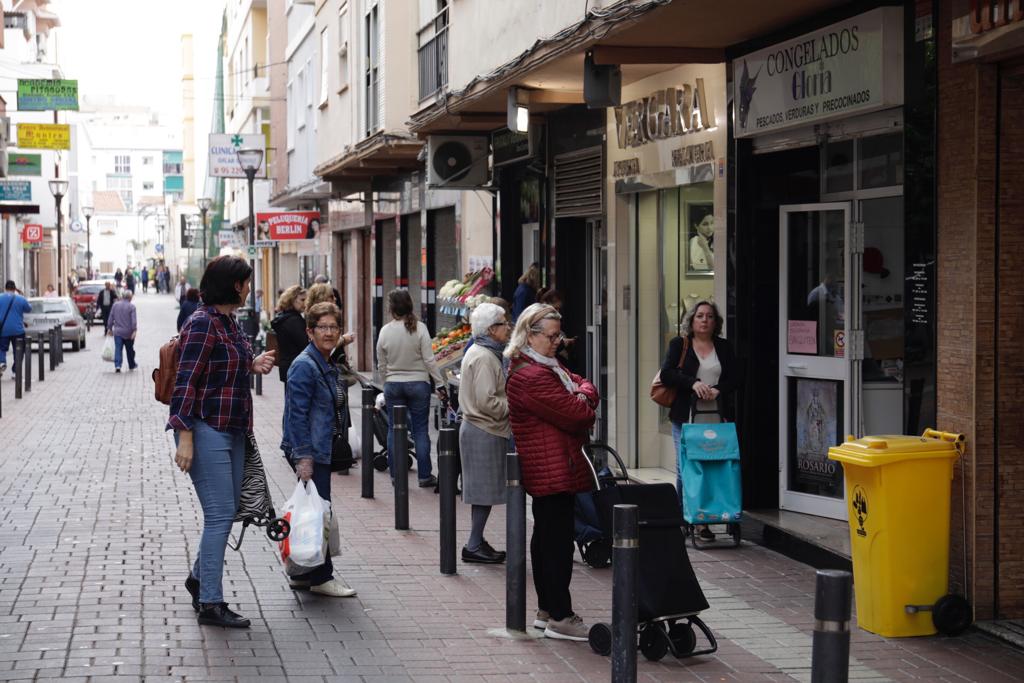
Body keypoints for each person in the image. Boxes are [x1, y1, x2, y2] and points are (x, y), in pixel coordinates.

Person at [168, 256, 276, 628]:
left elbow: (224, 366)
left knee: (227, 513)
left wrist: (253, 363)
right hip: (206, 428)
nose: (249, 288)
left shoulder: (228, 322)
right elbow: (186, 382)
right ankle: (210, 603)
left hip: (234, 428)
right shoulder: (201, 323)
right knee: (219, 516)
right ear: (234, 285)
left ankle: (199, 578)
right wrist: (185, 436)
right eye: (246, 282)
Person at [505, 303, 598, 641]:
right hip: (552, 469)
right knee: (556, 545)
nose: (558, 341)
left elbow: (585, 385)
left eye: (560, 334)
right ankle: (560, 615)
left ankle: (547, 611)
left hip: (558, 466)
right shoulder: (532, 375)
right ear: (530, 334)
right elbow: (578, 414)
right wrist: (582, 398)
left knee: (547, 539)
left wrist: (582, 393)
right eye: (552, 335)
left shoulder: (546, 364)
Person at [280, 301, 358, 598]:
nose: (328, 332)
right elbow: (296, 416)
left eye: (333, 327)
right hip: (310, 449)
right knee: (319, 512)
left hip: (318, 447)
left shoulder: (324, 360)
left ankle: (302, 573)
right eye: (322, 327)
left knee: (311, 512)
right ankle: (321, 577)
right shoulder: (305, 365)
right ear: (310, 331)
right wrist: (303, 458)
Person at [658, 300, 739, 541]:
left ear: (716, 322)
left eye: (710, 316)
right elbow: (667, 374)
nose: (704, 320)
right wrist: (692, 383)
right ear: (691, 321)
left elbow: (736, 377)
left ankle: (709, 517)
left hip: (716, 416)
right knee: (687, 470)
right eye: (700, 316)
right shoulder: (679, 344)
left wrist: (718, 390)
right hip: (686, 417)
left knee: (713, 466)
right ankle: (689, 519)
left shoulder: (723, 347)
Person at [458, 303, 512, 564]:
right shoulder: (484, 357)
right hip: (484, 429)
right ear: (492, 329)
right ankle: (473, 543)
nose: (508, 328)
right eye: (504, 323)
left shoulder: (485, 352)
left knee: (483, 491)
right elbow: (486, 401)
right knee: (482, 491)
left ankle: (476, 540)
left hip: (483, 428)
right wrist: (513, 408)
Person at [376, 289, 444, 488]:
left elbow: (381, 362)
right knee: (421, 430)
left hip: (393, 385)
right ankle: (424, 475)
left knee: (394, 430)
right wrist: (439, 383)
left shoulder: (385, 331)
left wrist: (385, 381)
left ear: (391, 308)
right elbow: (429, 360)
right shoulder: (420, 328)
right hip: (419, 384)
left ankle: (396, 476)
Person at [270, 285, 308, 382]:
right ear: (292, 300)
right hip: (297, 368)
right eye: (302, 300)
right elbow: (304, 345)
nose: (305, 303)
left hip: (288, 366)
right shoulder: (293, 321)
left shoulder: (284, 318)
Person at [0, 281, 32, 377]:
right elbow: (29, 309)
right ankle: (15, 371)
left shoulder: (0, 298)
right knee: (18, 350)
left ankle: (2, 362)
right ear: (15, 288)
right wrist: (22, 295)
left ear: (5, 288)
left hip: (3, 330)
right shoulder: (20, 298)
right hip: (18, 330)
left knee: (1, 348)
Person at [108, 290, 138, 373]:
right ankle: (131, 364)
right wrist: (134, 330)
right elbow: (133, 321)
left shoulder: (115, 305)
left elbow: (111, 318)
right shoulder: (131, 307)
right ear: (130, 297)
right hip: (128, 332)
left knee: (118, 349)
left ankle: (118, 365)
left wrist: (109, 328)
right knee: (130, 349)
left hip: (117, 332)